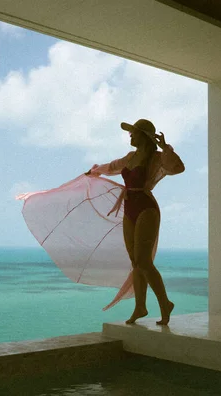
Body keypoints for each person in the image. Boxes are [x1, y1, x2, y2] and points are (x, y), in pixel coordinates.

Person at [86, 118, 185, 325]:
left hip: (146, 208)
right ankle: (140, 307)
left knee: (144, 262)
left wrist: (165, 148)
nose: (130, 135)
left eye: (134, 132)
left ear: (144, 137)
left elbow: (177, 168)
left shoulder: (157, 158)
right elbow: (113, 166)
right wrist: (95, 171)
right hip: (129, 208)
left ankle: (165, 303)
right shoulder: (130, 157)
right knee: (136, 263)